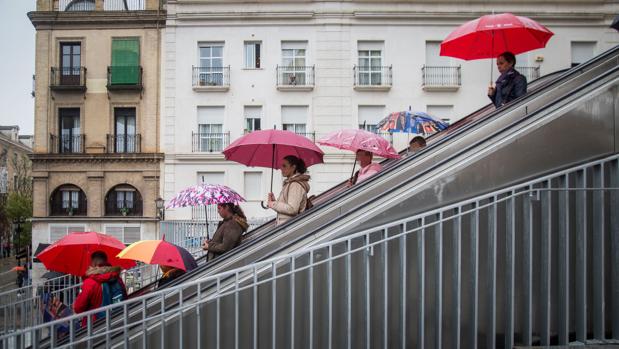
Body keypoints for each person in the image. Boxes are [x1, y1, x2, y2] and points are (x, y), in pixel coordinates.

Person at [73, 251, 127, 327]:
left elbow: (78, 308)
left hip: (94, 326)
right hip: (116, 321)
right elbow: (124, 297)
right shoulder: (117, 278)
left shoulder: (90, 282)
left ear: (94, 264)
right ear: (106, 262)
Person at [267, 155, 311, 225]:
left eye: (284, 166)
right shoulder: (290, 183)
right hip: (287, 226)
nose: (281, 168)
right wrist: (275, 201)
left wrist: (273, 204)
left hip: (289, 227)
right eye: (281, 166)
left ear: (293, 167)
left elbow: (292, 209)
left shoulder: (295, 185)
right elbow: (287, 205)